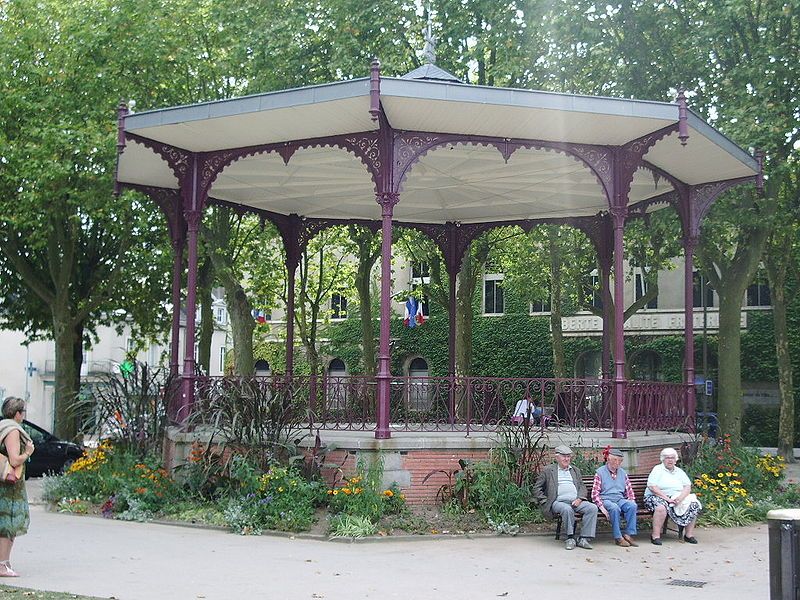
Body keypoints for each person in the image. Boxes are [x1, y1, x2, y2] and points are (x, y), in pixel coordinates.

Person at [534, 445, 598, 550]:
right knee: (567, 509)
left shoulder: (575, 470)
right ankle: (570, 538)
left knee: (592, 508)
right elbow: (537, 488)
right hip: (558, 502)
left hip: (576, 501)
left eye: (568, 456)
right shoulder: (548, 470)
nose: (566, 459)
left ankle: (584, 538)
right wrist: (545, 501)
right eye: (564, 456)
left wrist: (580, 498)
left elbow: (582, 486)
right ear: (557, 458)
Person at [0, 396, 35, 577]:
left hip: (3, 483)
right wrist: (28, 452)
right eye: (23, 412)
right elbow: (14, 459)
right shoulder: (12, 430)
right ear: (18, 414)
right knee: (8, 523)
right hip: (9, 486)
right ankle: (3, 565)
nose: (24, 416)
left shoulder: (1, 426)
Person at [644, 447, 701, 545]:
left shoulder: (679, 471)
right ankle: (655, 536)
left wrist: (680, 498)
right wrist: (667, 499)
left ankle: (688, 535)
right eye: (667, 458)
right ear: (663, 459)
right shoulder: (657, 469)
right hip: (656, 496)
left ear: (675, 460)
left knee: (693, 504)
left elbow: (687, 486)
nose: (670, 460)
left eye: (672, 458)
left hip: (676, 497)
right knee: (661, 507)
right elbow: (652, 487)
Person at [591, 447, 638, 547]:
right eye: (615, 460)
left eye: (620, 460)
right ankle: (618, 537)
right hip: (606, 499)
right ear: (608, 459)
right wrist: (602, 508)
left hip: (620, 499)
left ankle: (628, 534)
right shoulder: (600, 472)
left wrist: (632, 500)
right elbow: (595, 494)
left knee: (632, 506)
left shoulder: (623, 473)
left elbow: (629, 490)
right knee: (614, 508)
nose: (618, 463)